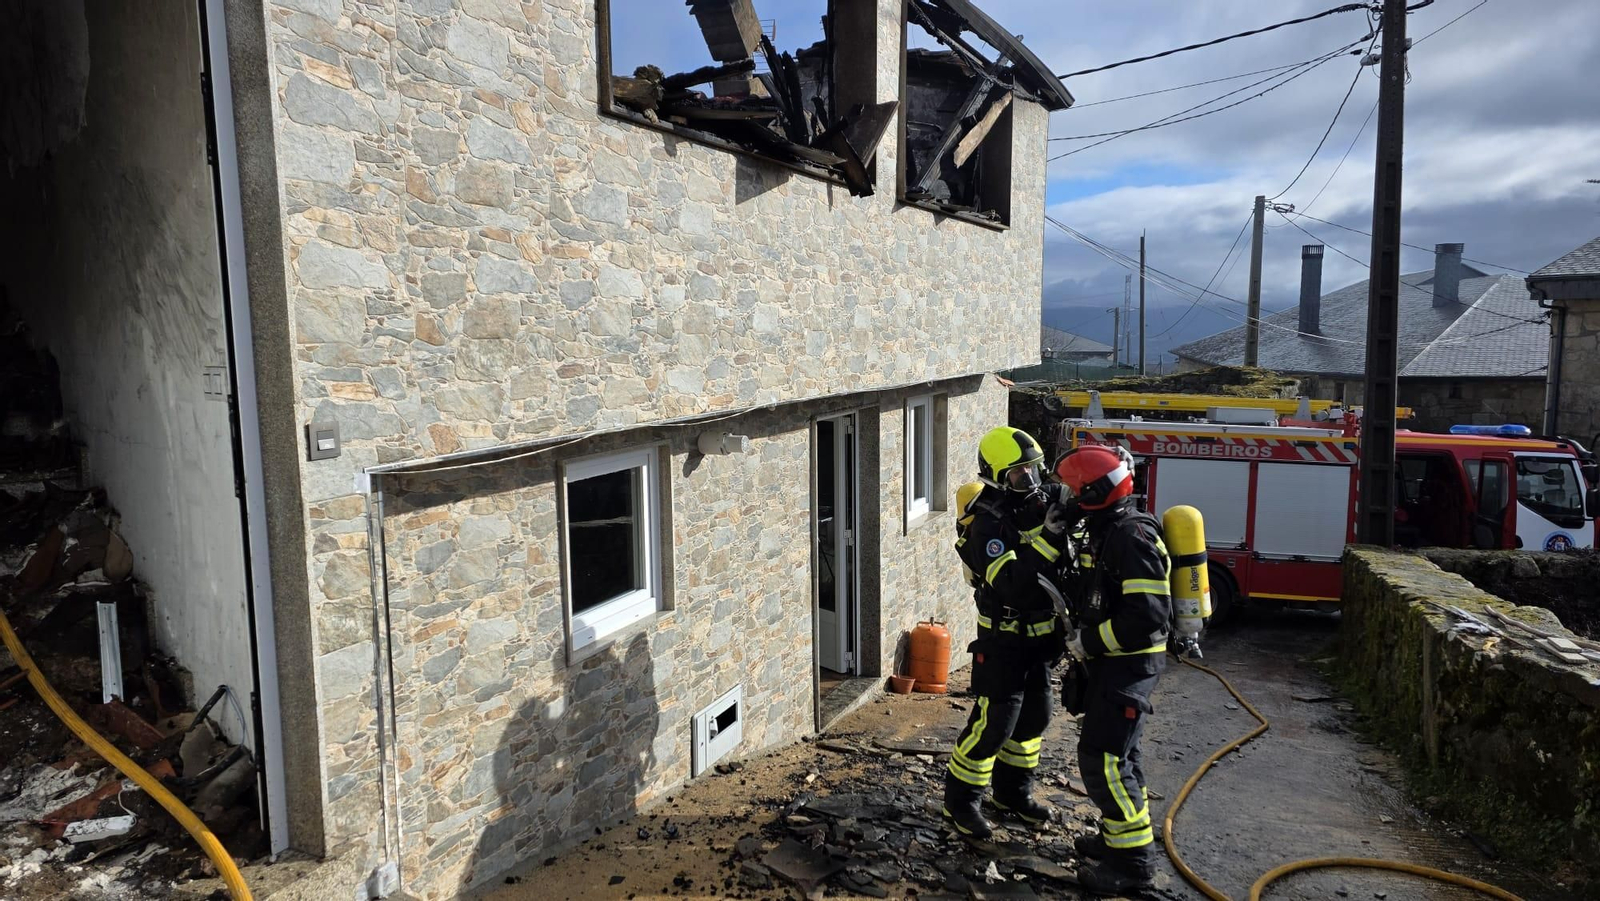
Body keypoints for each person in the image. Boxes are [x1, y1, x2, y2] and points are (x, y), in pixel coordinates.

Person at [944, 427, 1073, 840]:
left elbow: (1069, 497)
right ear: (997, 477)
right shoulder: (988, 524)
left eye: (1035, 471)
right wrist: (1052, 540)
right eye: (1020, 475)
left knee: (1035, 719)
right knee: (993, 724)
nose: (1032, 482)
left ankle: (1012, 794)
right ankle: (961, 803)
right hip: (1003, 642)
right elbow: (1014, 585)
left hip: (1040, 641)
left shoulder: (1041, 501)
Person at [1053, 444, 1171, 895]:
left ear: (1096, 491)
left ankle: (1134, 866)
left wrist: (1090, 642)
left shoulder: (1131, 537)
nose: (1067, 497)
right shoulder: (1106, 529)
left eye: (1073, 490)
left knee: (1102, 762)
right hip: (1114, 664)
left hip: (1129, 664)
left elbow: (1146, 616)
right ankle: (1116, 841)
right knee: (1124, 758)